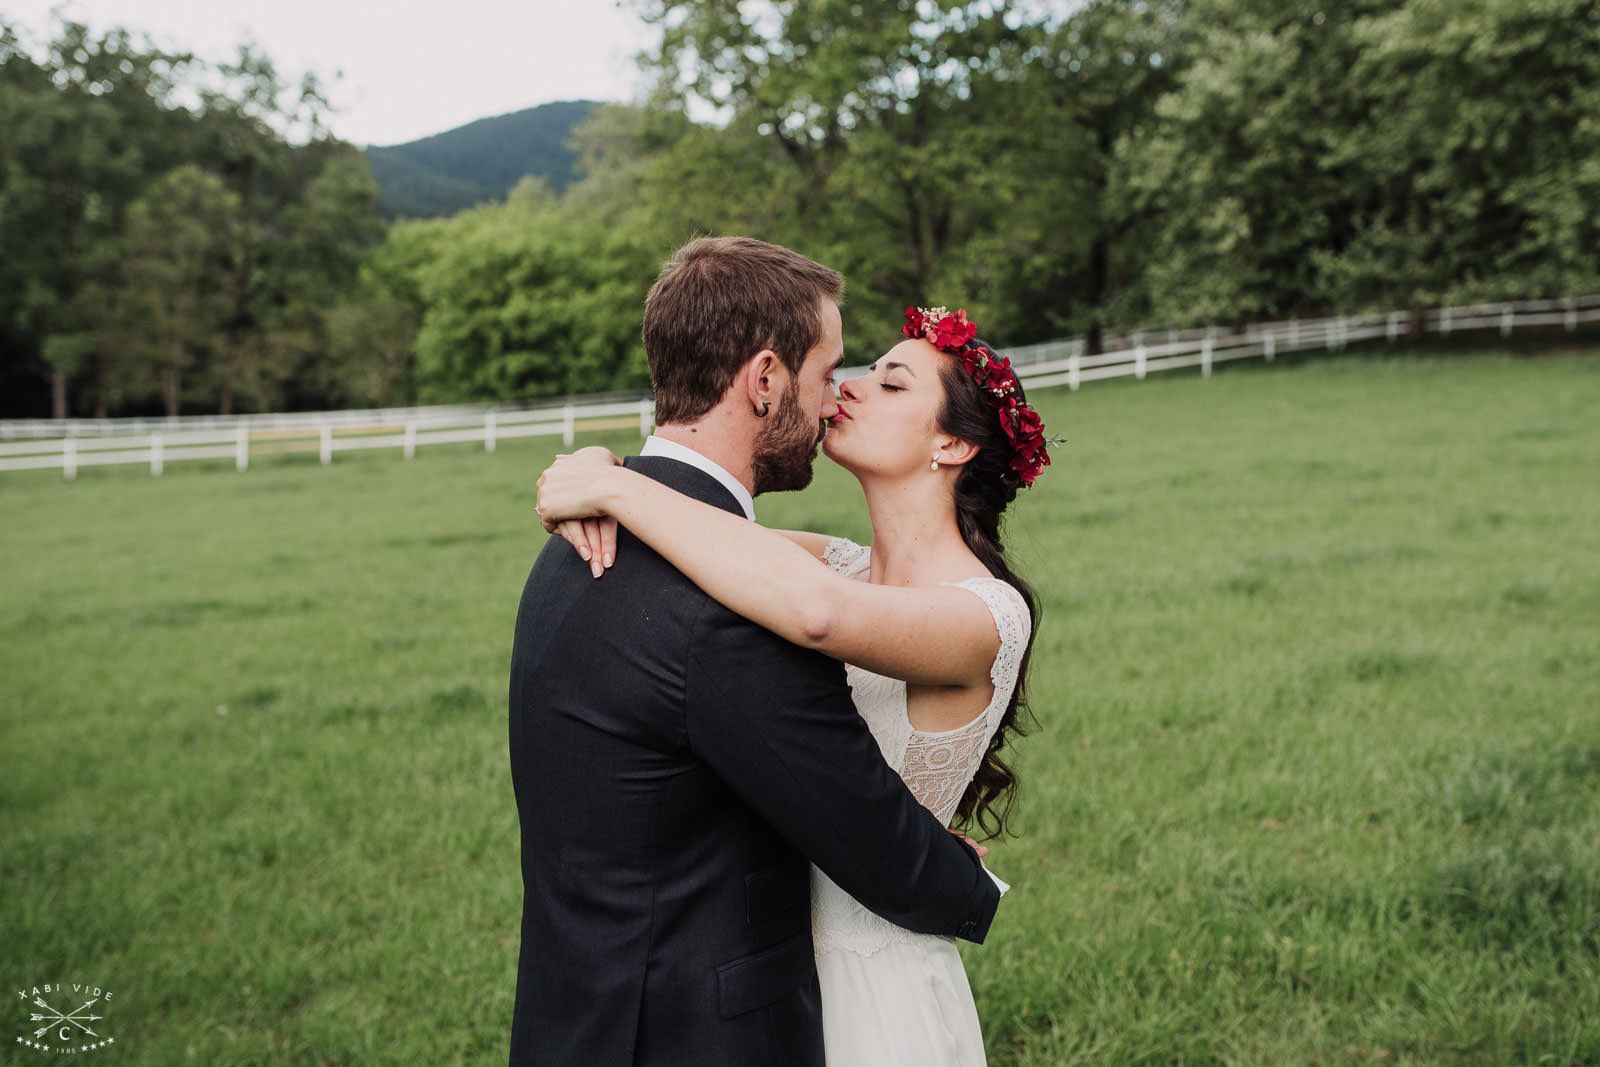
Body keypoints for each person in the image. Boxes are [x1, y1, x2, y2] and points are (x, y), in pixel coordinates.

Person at [506, 238, 1002, 1067]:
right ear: (765, 379)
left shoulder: (576, 539)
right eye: (827, 369)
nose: (834, 397)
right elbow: (867, 830)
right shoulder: (735, 607)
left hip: (575, 1018)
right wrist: (969, 883)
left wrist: (607, 471)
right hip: (692, 1035)